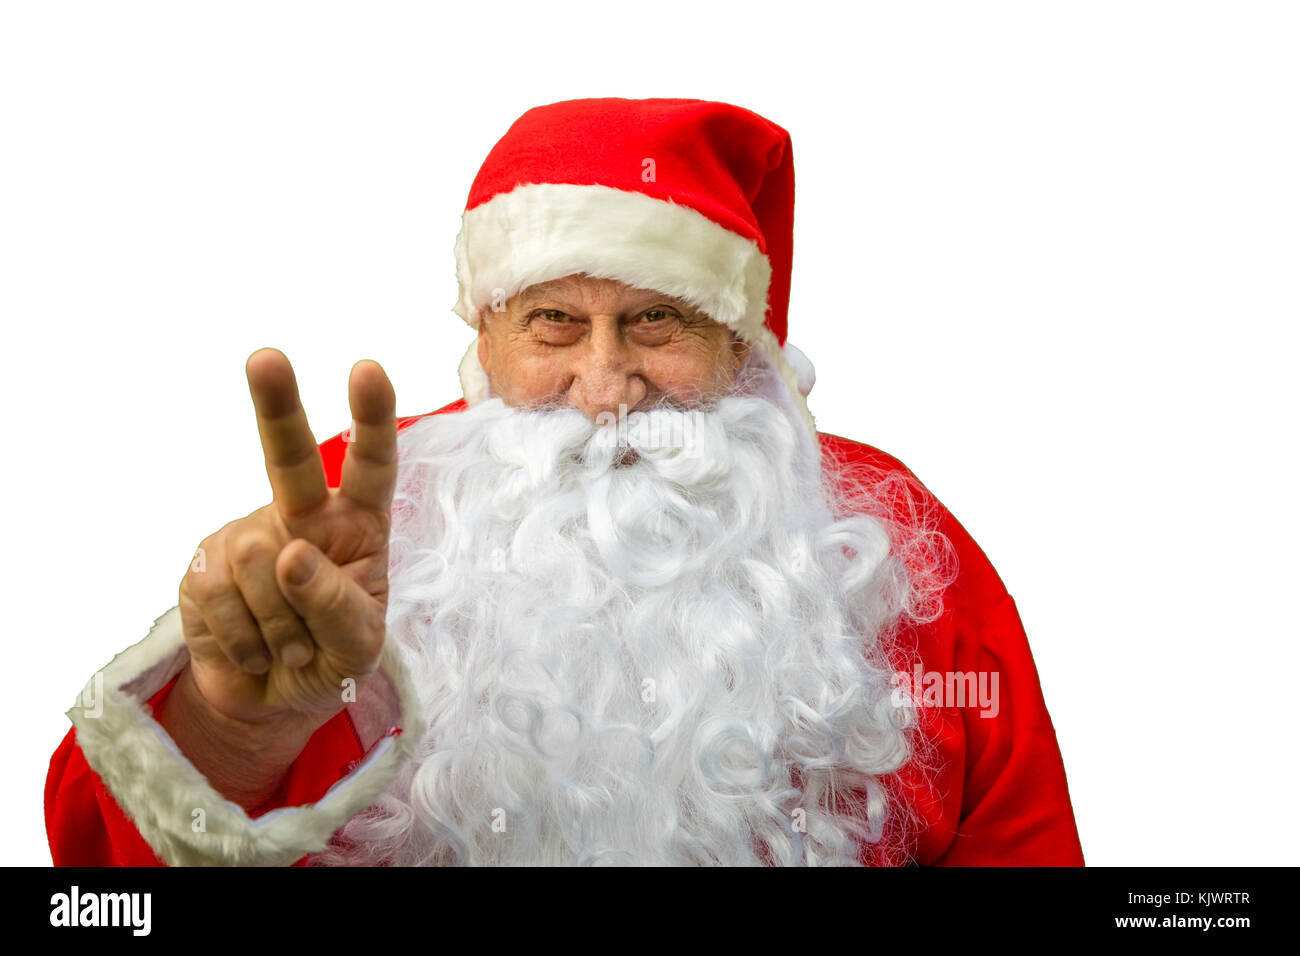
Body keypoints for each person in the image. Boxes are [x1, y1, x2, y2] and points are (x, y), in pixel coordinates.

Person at [45, 97, 1084, 866]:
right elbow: (98, 883)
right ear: (484, 334)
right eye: (553, 322)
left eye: (654, 320)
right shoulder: (355, 510)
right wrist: (232, 734)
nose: (605, 387)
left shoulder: (880, 538)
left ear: (743, 343)